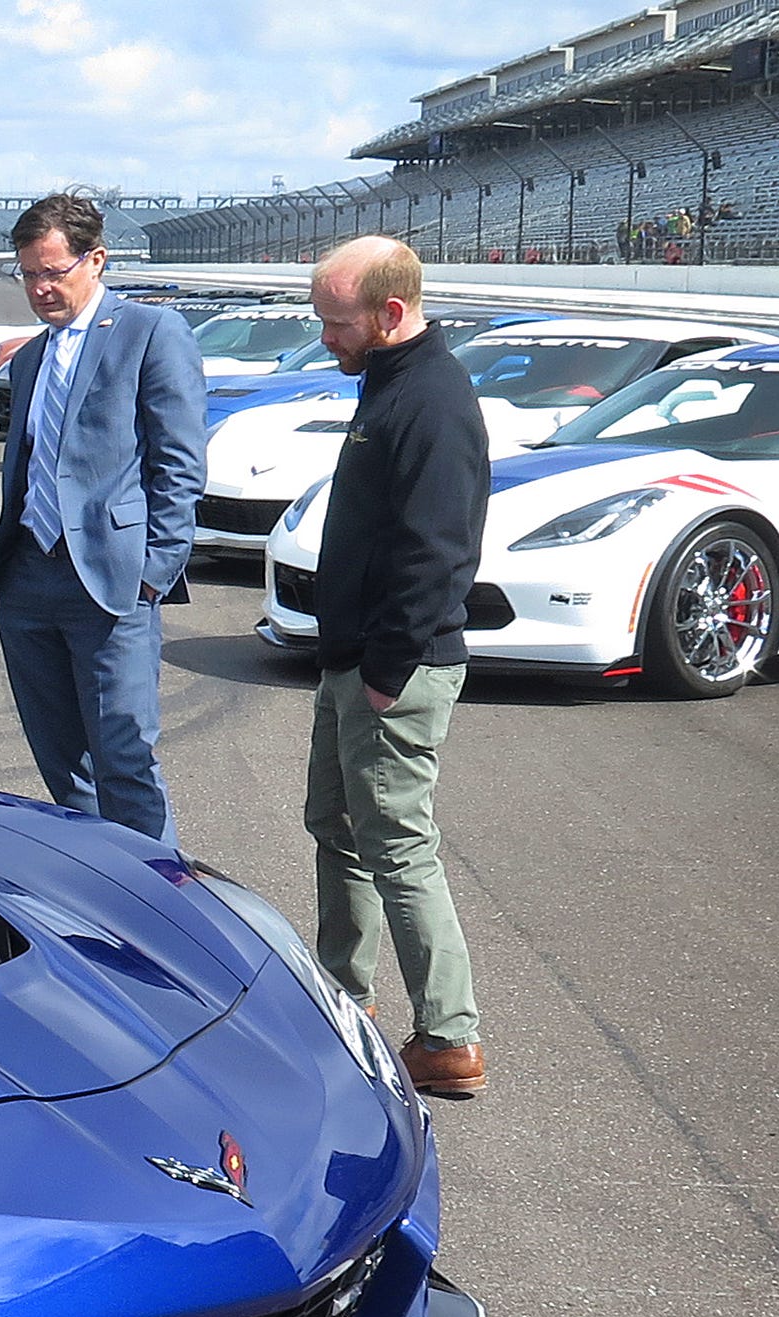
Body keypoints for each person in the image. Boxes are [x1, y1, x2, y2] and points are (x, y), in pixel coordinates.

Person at [0, 192, 204, 843]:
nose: (39, 287)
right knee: (66, 771)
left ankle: (163, 913)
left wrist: (153, 570)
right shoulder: (32, 357)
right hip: (28, 581)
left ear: (96, 260)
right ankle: (102, 903)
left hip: (112, 584)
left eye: (53, 271)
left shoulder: (151, 333)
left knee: (125, 762)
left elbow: (179, 463)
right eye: (28, 273)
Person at [303, 235, 487, 1098]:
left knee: (399, 848)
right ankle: (343, 999)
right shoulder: (390, 382)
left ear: (391, 312)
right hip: (356, 663)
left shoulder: (434, 401)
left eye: (337, 323)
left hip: (392, 674)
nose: (325, 338)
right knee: (337, 827)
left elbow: (437, 553)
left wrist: (386, 671)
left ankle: (449, 1039)